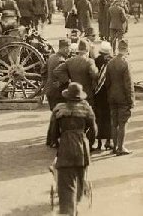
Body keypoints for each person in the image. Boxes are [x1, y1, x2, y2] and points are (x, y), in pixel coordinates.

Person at [50, 82, 97, 216]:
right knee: (80, 179)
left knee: (66, 183)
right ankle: (77, 205)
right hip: (82, 148)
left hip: (65, 147)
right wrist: (88, 142)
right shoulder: (87, 109)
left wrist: (57, 142)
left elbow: (53, 133)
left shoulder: (59, 109)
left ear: (67, 96)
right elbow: (94, 131)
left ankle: (69, 211)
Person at [104, 39, 135, 156]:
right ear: (126, 49)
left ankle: (115, 146)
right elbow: (129, 84)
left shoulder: (110, 62)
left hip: (112, 96)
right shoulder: (125, 63)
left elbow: (107, 82)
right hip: (123, 98)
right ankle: (121, 147)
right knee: (123, 123)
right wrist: (131, 101)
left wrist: (110, 94)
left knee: (114, 122)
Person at [54, 39, 98, 113]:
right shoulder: (89, 61)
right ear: (87, 50)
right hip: (87, 93)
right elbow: (95, 75)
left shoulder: (70, 61)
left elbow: (57, 71)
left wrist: (67, 80)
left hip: (74, 93)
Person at [93, 42, 114, 152]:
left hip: (97, 94)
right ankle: (108, 141)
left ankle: (99, 142)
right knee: (108, 118)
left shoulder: (95, 61)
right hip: (108, 93)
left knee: (99, 118)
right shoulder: (111, 62)